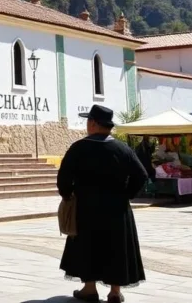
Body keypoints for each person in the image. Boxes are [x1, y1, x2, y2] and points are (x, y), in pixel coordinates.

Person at [58, 105, 146, 303]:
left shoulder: (79, 148)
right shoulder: (123, 149)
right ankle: (115, 292)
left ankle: (90, 289)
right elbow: (141, 175)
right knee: (116, 247)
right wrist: (126, 195)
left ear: (94, 123)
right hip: (117, 208)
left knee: (88, 246)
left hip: (86, 207)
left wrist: (67, 196)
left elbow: (64, 177)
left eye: (88, 121)